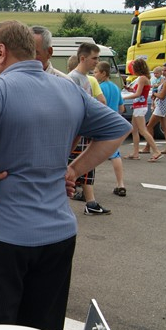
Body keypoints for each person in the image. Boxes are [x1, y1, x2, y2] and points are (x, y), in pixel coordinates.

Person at [0, 20, 131, 330]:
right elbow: (118, 128)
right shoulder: (68, 89)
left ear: (2, 52)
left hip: (1, 237)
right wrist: (73, 170)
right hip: (57, 235)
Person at [68, 42, 110, 215]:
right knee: (77, 166)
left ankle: (91, 203)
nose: (97, 62)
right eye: (94, 58)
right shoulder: (73, 78)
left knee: (86, 166)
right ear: (83, 58)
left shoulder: (84, 78)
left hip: (83, 129)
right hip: (77, 131)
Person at [95, 61, 127, 196]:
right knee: (115, 154)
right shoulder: (115, 87)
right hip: (114, 123)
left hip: (102, 124)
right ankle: (120, 184)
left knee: (90, 154)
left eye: (96, 72)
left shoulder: (99, 88)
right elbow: (122, 108)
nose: (94, 74)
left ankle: (85, 185)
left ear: (103, 73)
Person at [123, 58, 162, 160]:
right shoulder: (144, 78)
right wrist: (131, 90)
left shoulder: (141, 78)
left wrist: (124, 97)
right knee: (135, 130)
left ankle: (156, 151)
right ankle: (135, 153)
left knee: (142, 130)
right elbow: (140, 92)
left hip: (139, 107)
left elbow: (138, 94)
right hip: (140, 106)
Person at [142, 60, 166, 155]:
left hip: (162, 106)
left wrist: (155, 94)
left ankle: (148, 147)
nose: (164, 72)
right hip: (165, 105)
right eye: (163, 70)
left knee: (149, 126)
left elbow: (162, 95)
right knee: (165, 127)